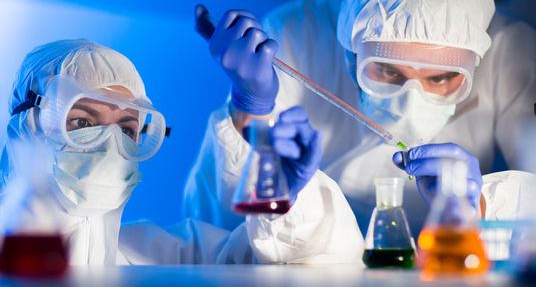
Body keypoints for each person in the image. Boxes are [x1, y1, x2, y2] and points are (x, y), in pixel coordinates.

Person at [183, 0, 536, 237]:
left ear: (476, 59)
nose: (410, 105)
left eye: (441, 78)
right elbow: (215, 229)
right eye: (386, 71)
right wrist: (249, 107)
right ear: (350, 52)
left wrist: (481, 203)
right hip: (308, 257)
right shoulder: (296, 32)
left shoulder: (511, 51)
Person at [0, 39, 363, 265]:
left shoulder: (155, 258)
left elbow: (322, 265)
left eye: (127, 129)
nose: (110, 144)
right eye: (82, 123)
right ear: (26, 127)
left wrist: (286, 201)